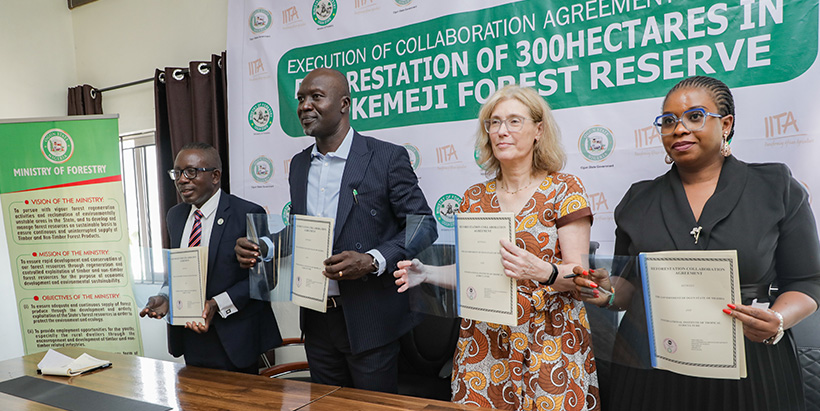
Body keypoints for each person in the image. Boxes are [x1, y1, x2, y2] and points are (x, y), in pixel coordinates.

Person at [574, 76, 820, 410]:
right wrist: (609, 291)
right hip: (652, 369)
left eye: (695, 116)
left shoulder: (775, 187)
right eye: (669, 121)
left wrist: (777, 320)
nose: (679, 129)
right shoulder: (638, 199)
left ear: (726, 124)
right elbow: (630, 286)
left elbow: (807, 281)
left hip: (750, 366)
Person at [395, 85, 600, 410]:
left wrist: (541, 270)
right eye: (494, 122)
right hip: (484, 344)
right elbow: (475, 274)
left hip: (550, 342)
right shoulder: (474, 198)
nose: (501, 131)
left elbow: (582, 278)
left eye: (514, 121)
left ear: (538, 130)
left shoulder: (564, 189)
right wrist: (427, 273)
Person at [235, 68, 436, 393]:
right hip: (316, 320)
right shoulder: (299, 165)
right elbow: (303, 230)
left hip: (370, 320)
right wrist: (265, 248)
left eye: (316, 97)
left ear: (344, 104)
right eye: (301, 98)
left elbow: (424, 225)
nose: (304, 105)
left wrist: (372, 260)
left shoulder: (385, 157)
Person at [140, 142, 282, 373]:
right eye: (177, 173)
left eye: (191, 172)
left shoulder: (247, 213)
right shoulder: (174, 216)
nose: (182, 180)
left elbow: (265, 279)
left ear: (215, 176)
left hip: (235, 339)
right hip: (189, 337)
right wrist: (164, 296)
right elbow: (178, 270)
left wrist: (216, 304)